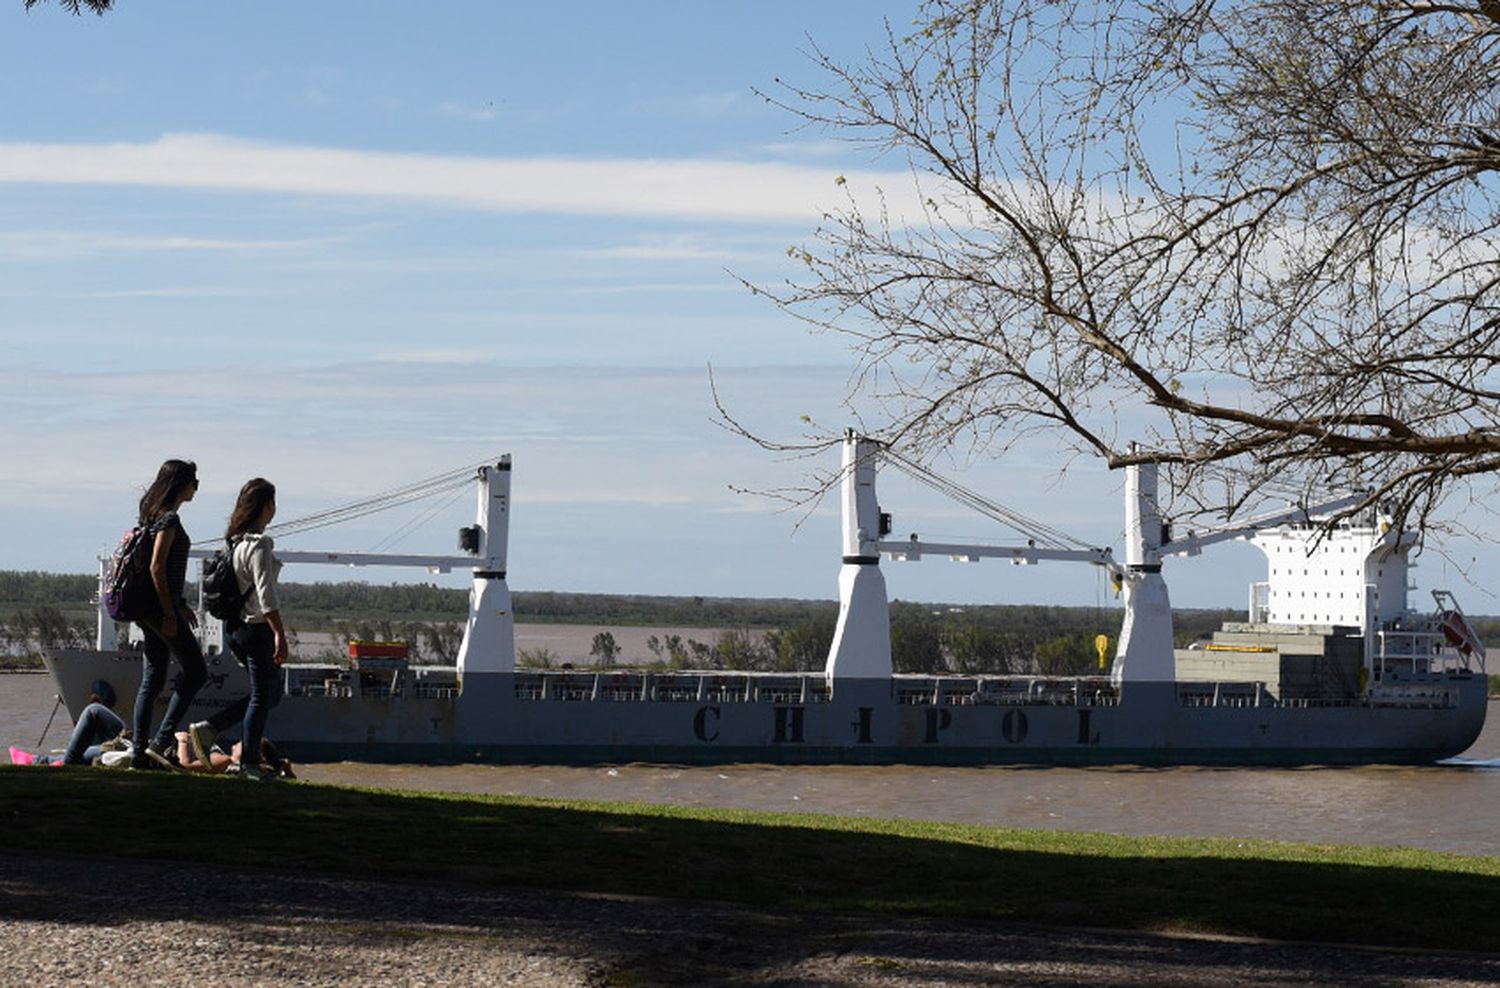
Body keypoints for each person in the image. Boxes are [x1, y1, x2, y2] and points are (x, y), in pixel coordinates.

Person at [190, 478, 287, 782]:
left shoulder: (234, 544)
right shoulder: (259, 544)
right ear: (267, 507)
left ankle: (210, 729)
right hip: (256, 630)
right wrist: (280, 636)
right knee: (263, 696)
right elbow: (266, 596)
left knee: (270, 694)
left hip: (234, 630)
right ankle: (249, 765)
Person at [129, 459, 206, 770]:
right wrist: (169, 611)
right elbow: (157, 567)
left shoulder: (150, 515)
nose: (196, 488)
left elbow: (164, 570)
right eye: (193, 482)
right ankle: (160, 742)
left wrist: (182, 602)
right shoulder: (169, 519)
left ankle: (138, 754)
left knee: (152, 679)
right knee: (197, 671)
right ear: (180, 484)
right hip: (160, 610)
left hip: (148, 608)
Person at [10, 681, 127, 766]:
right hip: (138, 743)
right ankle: (44, 761)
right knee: (91, 743)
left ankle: (48, 762)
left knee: (93, 710)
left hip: (136, 745)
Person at [171, 731, 294, 779]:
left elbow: (185, 765)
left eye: (243, 743)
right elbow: (287, 773)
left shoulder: (225, 760)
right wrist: (284, 766)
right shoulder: (260, 772)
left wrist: (183, 740)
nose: (238, 742)